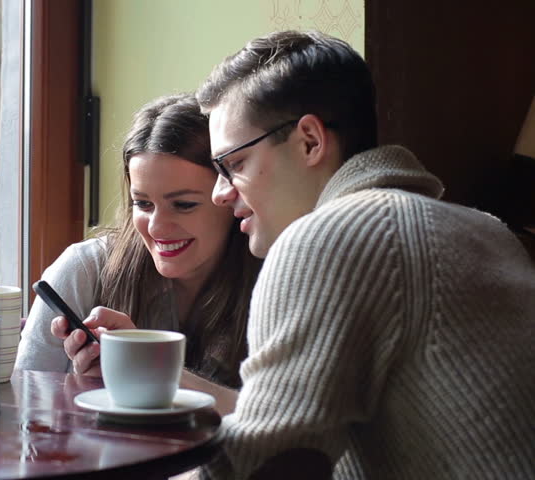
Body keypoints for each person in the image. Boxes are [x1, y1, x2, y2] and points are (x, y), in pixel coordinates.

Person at [192, 30, 535, 479]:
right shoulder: (489, 232)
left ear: (310, 141)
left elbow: (265, 466)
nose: (219, 193)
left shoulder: (330, 236)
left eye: (232, 165)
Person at [15, 93, 261, 396]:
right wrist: (84, 388)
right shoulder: (84, 269)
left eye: (183, 205)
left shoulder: (272, 276)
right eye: (143, 204)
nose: (157, 227)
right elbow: (25, 406)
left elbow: (285, 425)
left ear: (228, 196)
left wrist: (146, 364)